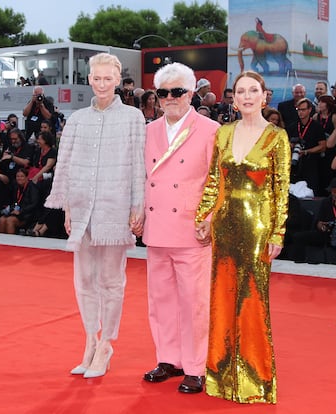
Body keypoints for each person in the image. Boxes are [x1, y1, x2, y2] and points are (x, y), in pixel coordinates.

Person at [45, 53, 145, 379]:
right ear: (88, 79)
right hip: (82, 208)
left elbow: (138, 166)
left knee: (111, 281)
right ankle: (89, 340)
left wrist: (137, 206)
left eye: (108, 78)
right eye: (96, 78)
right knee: (84, 280)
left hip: (115, 208)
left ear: (118, 81)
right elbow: (66, 165)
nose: (102, 84)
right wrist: (68, 208)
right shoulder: (76, 120)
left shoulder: (132, 118)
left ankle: (106, 344)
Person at [195, 70, 291, 404]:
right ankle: (220, 378)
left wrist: (277, 231)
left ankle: (255, 381)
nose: (247, 96)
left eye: (253, 90)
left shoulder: (276, 137)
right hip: (223, 225)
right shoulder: (223, 134)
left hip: (256, 230)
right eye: (240, 91)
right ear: (233, 99)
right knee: (221, 300)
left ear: (265, 96)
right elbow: (212, 181)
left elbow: (281, 190)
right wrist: (203, 216)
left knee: (252, 302)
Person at [142, 62, 219, 394]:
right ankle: (168, 359)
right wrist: (137, 213)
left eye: (177, 92)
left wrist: (209, 219)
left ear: (191, 94)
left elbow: (219, 181)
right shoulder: (148, 131)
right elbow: (140, 178)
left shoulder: (211, 129)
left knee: (194, 302)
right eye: (163, 93)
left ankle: (196, 367)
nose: (170, 98)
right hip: (157, 227)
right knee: (161, 300)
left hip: (192, 229)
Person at [291, 176, 336, 265]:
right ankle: (299, 264)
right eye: (334, 192)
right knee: (298, 237)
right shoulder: (326, 202)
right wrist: (322, 226)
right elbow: (319, 222)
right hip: (327, 233)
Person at [0, 168, 39, 235]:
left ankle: (11, 243)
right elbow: (15, 202)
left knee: (10, 220)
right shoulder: (16, 187)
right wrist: (10, 209)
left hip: (27, 214)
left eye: (22, 176)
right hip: (16, 212)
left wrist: (21, 211)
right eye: (17, 176)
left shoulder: (32, 187)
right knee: (2, 219)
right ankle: (0, 242)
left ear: (26, 177)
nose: (19, 178)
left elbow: (34, 204)